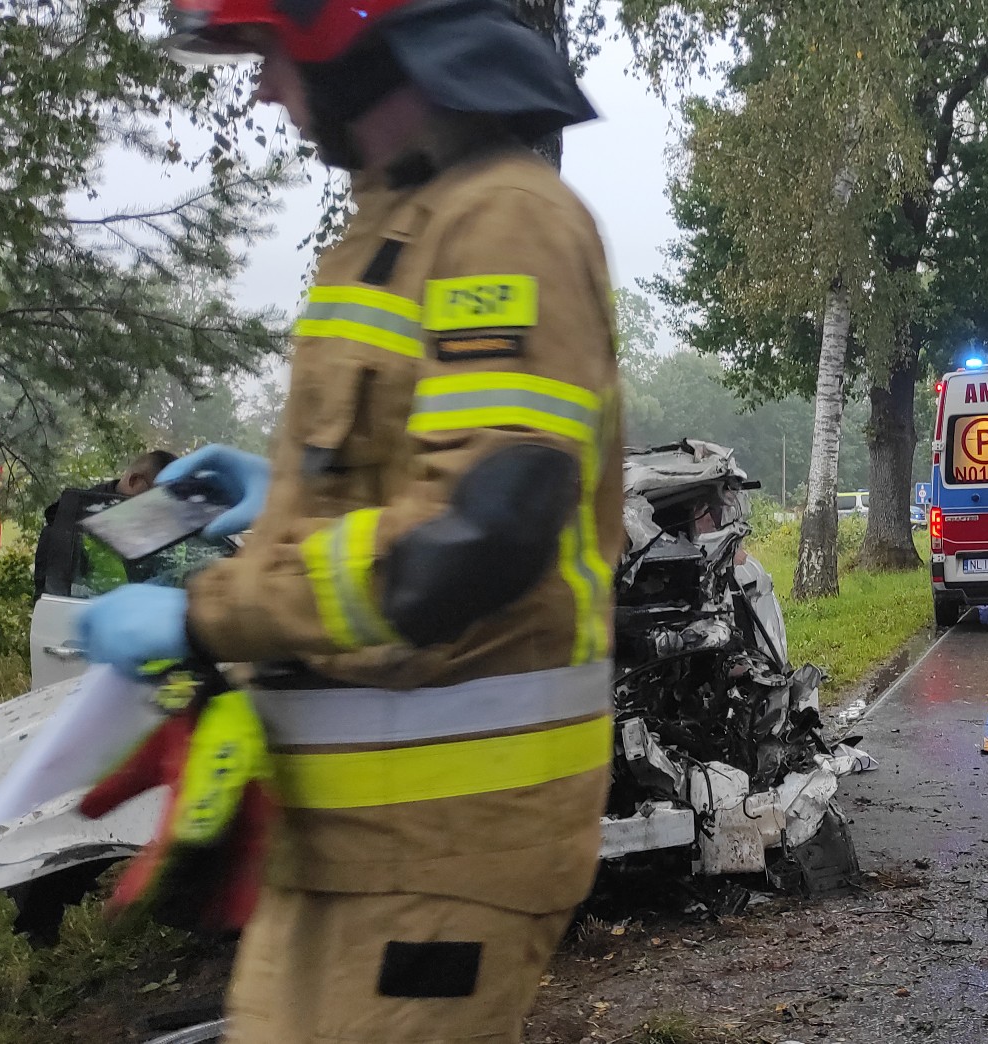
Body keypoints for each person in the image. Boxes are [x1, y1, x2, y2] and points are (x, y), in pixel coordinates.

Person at [77, 0, 619, 1038]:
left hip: (445, 849)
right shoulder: (396, 224)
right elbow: (407, 466)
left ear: (347, 33)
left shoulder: (503, 220)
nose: (260, 86)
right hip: (336, 842)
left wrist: (204, 615)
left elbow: (481, 533)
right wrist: (283, 494)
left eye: (268, 51)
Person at [32, 450, 179, 599]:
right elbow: (50, 605)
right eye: (158, 499)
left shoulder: (166, 536)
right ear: (134, 481)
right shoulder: (69, 527)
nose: (162, 513)